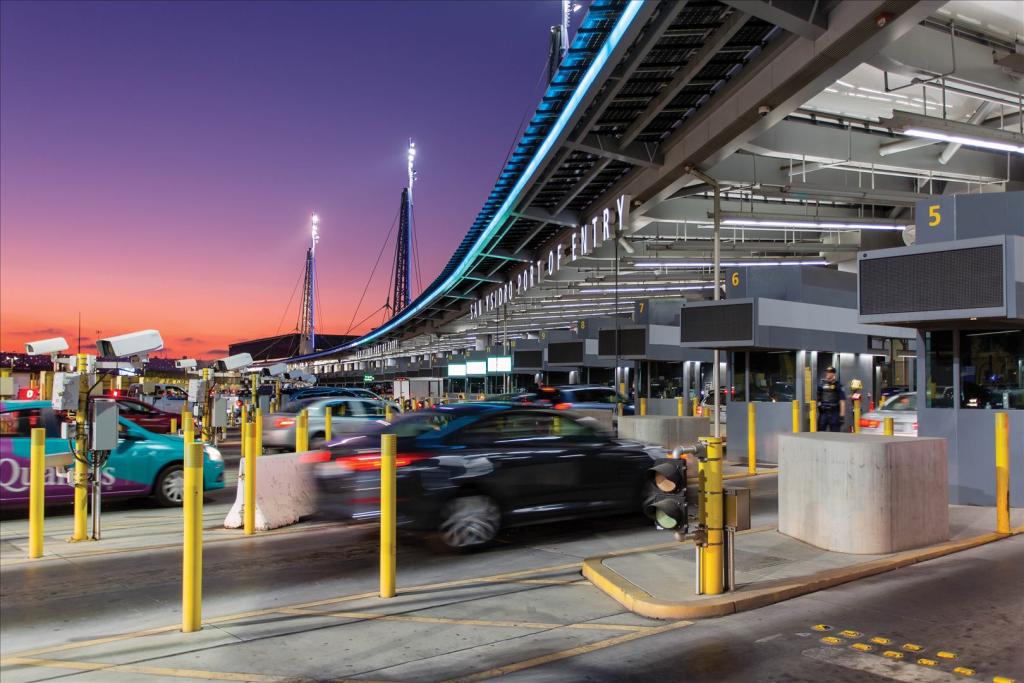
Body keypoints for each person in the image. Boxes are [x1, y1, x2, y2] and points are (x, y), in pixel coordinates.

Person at [817, 366, 846, 432]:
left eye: (830, 372)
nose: (828, 374)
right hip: (823, 412)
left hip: (834, 413)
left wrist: (842, 416)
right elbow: (818, 397)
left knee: (835, 433)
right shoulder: (822, 385)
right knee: (820, 432)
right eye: (827, 372)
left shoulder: (838, 385)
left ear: (833, 374)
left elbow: (842, 401)